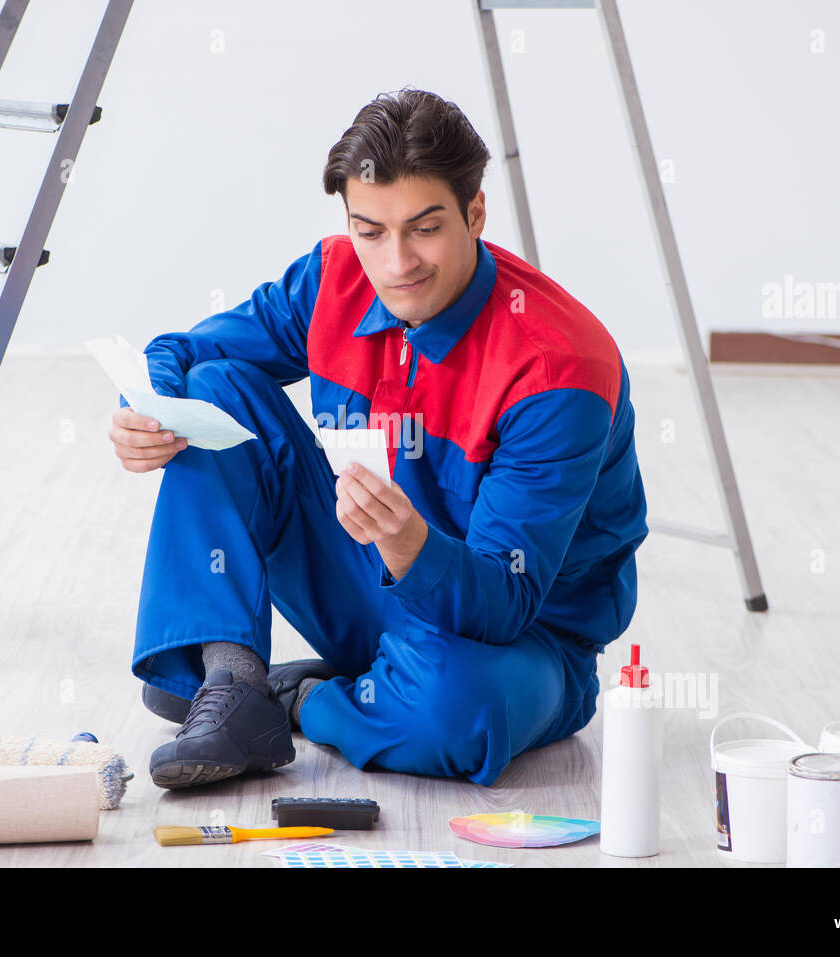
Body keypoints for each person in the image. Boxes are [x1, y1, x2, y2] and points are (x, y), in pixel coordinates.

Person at [108, 88, 648, 790]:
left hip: (517, 644)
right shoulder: (333, 279)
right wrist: (144, 411)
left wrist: (410, 546)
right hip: (367, 585)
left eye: (424, 229)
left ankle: (298, 697)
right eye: (370, 231)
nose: (395, 263)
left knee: (458, 713)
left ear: (475, 212)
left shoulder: (559, 369)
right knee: (211, 390)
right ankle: (235, 682)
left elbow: (505, 601)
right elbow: (185, 352)